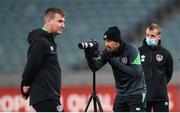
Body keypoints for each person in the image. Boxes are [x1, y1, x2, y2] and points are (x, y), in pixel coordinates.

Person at [84, 26, 147, 112]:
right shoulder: (108, 52)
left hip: (136, 93)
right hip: (121, 95)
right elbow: (94, 68)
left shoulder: (131, 50)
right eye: (105, 41)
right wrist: (88, 55)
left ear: (117, 42)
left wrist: (114, 61)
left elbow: (136, 72)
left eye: (109, 41)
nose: (106, 44)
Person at [20, 7, 66, 112]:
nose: (63, 25)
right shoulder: (40, 41)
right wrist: (25, 84)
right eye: (60, 21)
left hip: (49, 96)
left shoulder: (49, 41)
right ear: (49, 21)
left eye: (63, 22)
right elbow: (32, 65)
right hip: (45, 97)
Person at [138, 23, 173, 112]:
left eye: (152, 36)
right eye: (147, 35)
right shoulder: (138, 52)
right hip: (142, 97)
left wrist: (159, 85)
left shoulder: (165, 54)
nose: (149, 38)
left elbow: (168, 74)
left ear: (159, 37)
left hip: (160, 98)